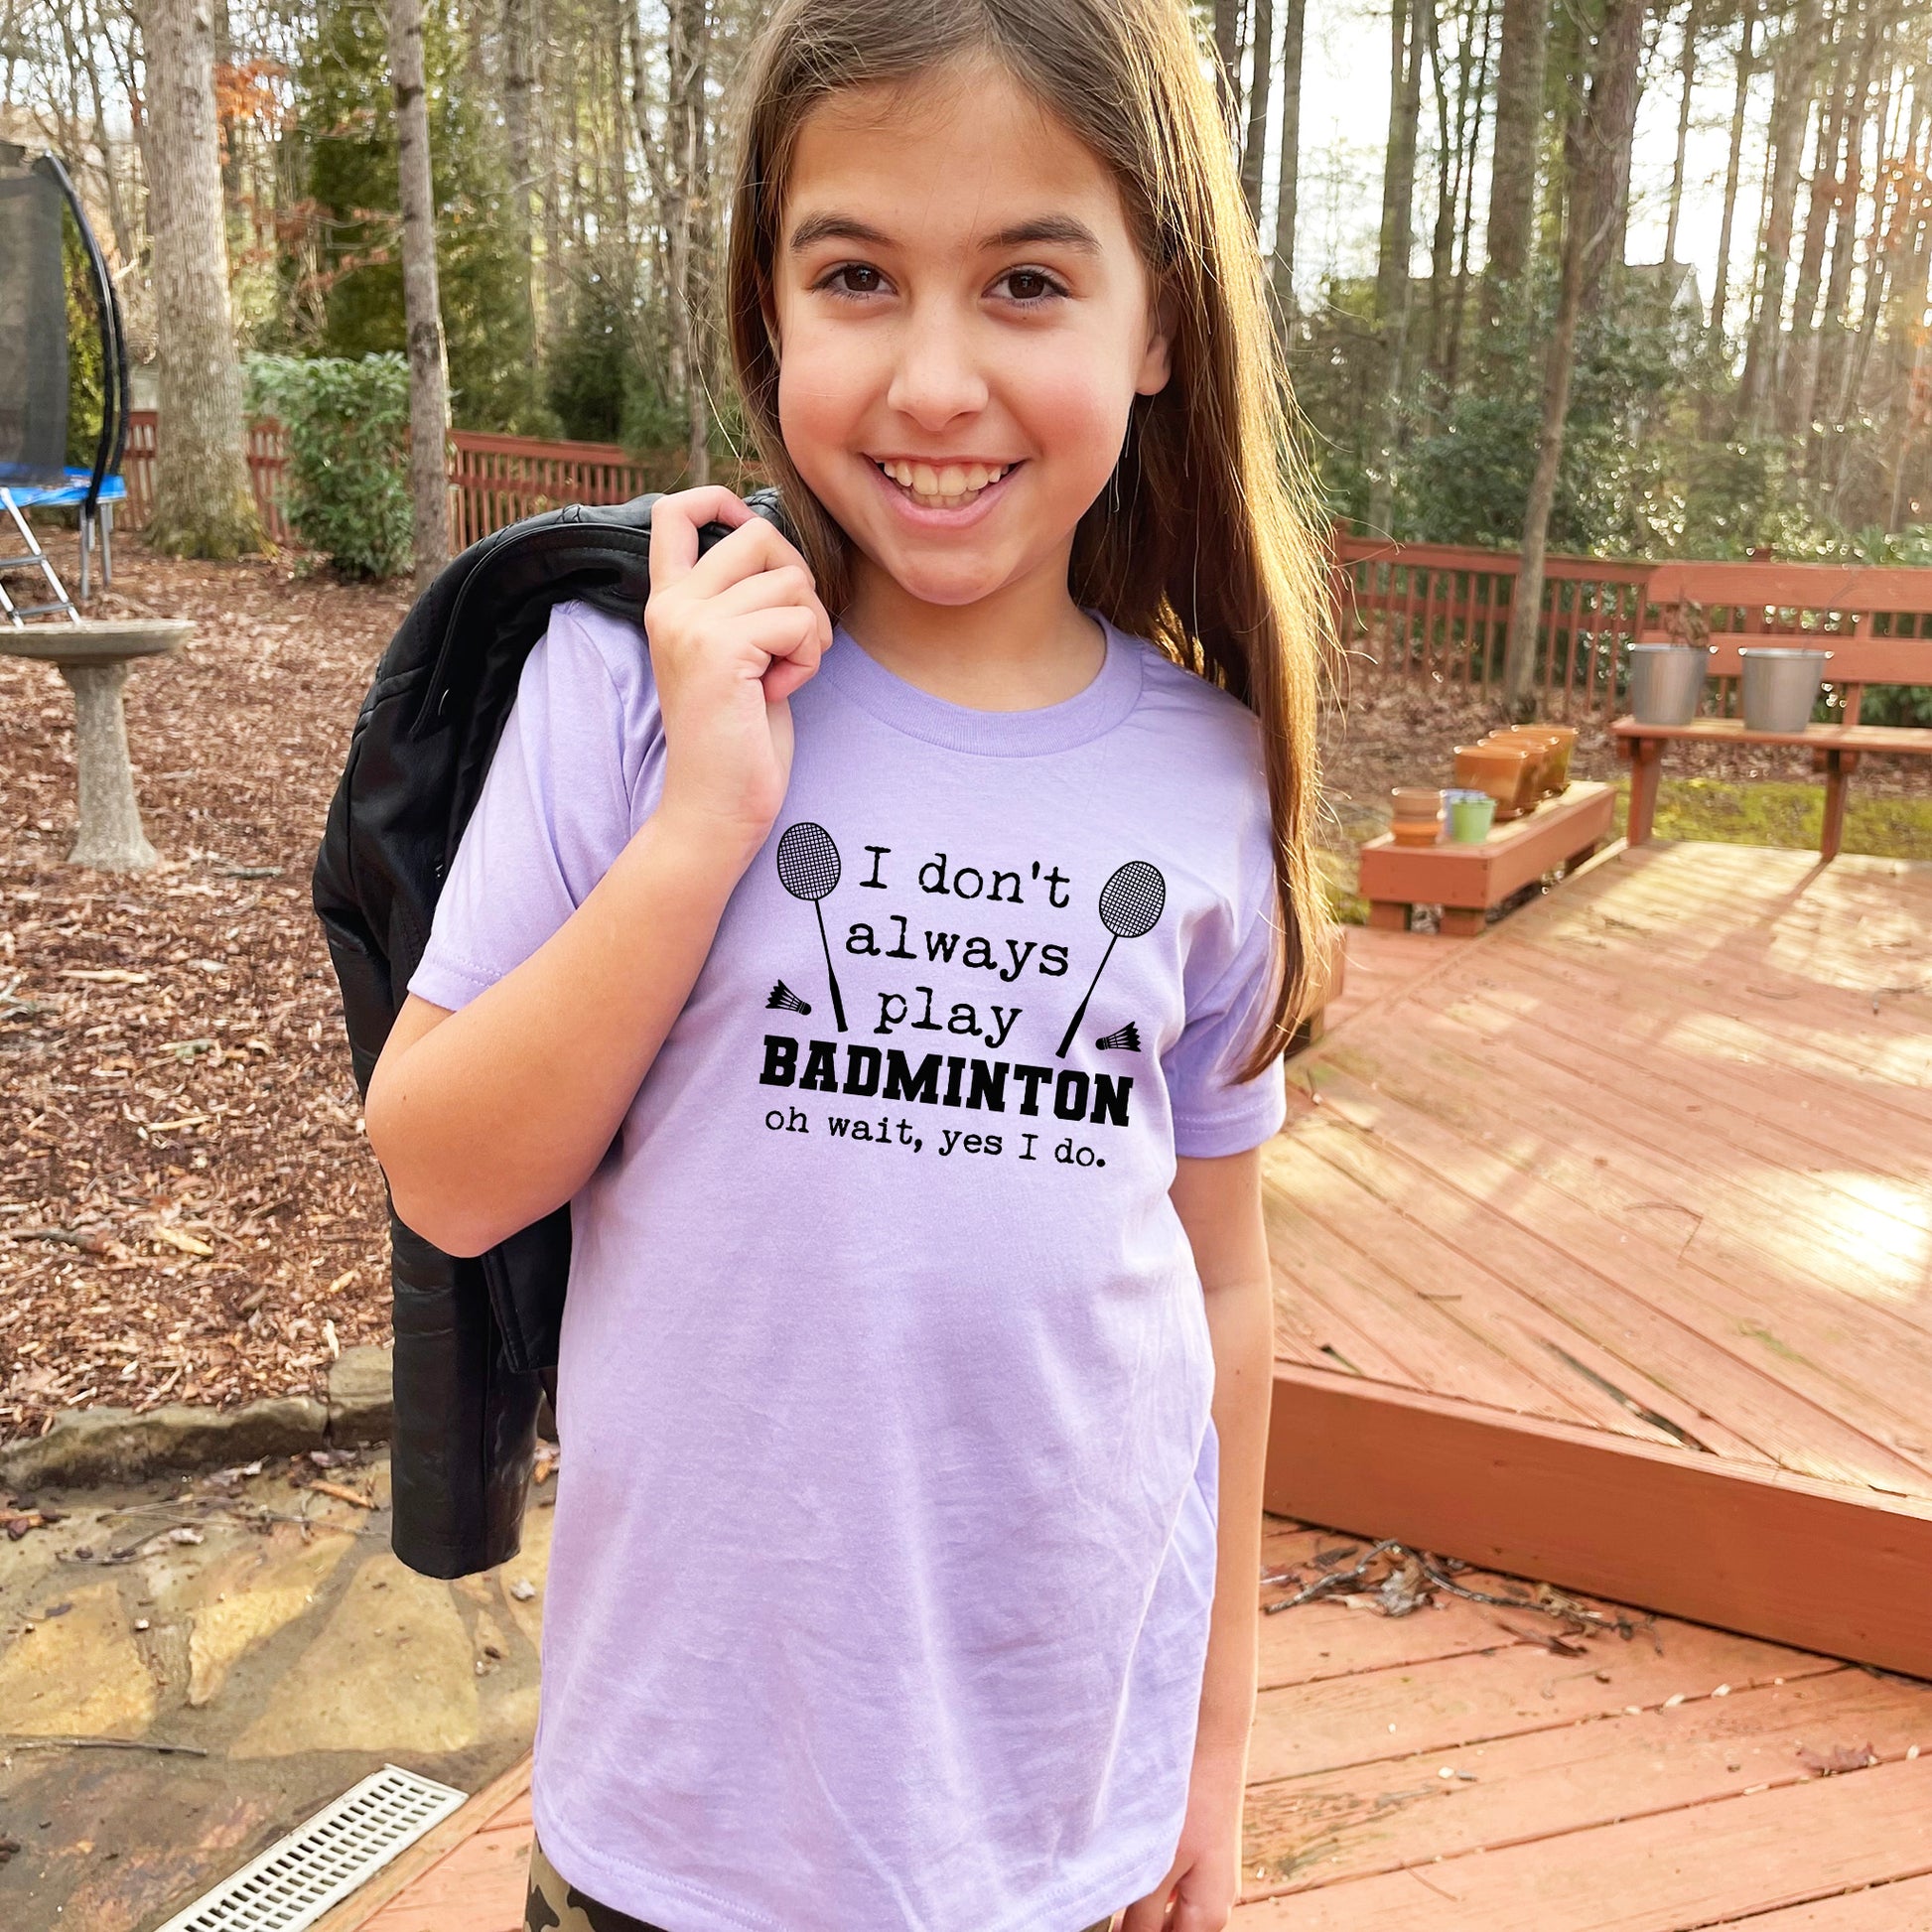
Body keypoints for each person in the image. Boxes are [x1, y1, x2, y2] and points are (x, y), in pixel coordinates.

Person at [363, 0, 1333, 1925]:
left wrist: (1208, 1754)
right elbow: (447, 1172)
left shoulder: (1212, 776)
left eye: (1030, 280)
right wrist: (705, 816)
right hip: (683, 1834)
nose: (936, 376)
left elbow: (1220, 1294)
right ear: (770, 305)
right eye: (859, 275)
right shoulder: (628, 688)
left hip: (1060, 1836)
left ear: (1156, 326)